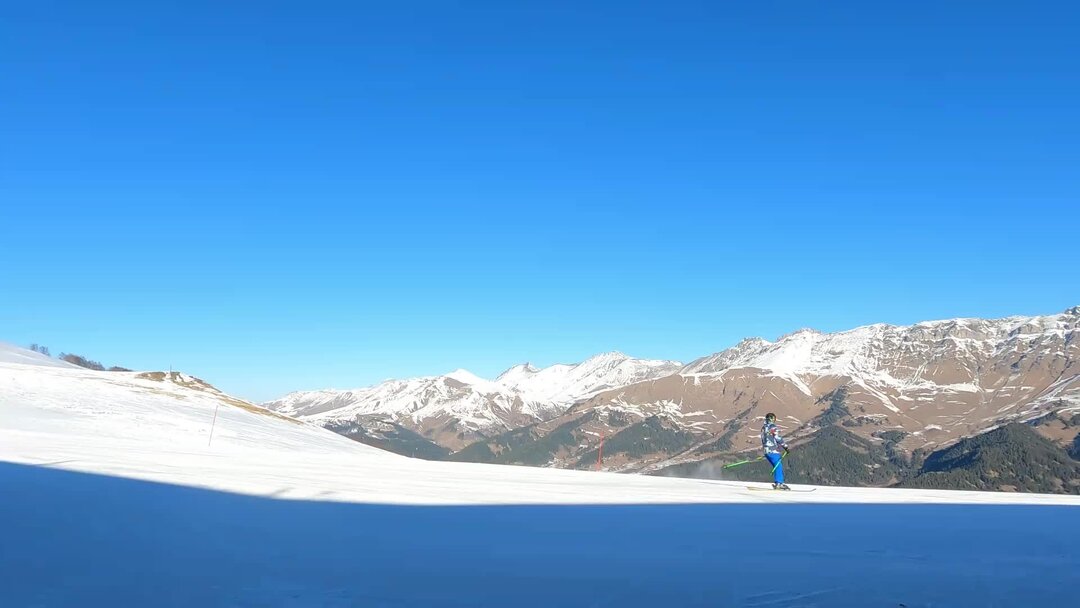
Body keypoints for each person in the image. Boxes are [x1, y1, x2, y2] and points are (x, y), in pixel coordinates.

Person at [761, 412, 790, 490]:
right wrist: (785, 447)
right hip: (773, 450)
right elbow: (777, 438)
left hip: (766, 450)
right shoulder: (772, 427)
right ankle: (779, 483)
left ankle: (779, 482)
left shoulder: (763, 427)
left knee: (776, 466)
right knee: (778, 466)